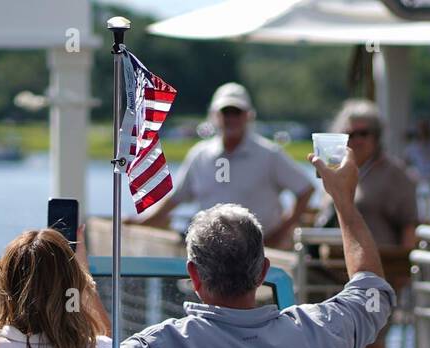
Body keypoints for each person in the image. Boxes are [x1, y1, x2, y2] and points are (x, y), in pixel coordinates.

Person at [115, 151, 393, 348]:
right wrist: (343, 200)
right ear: (262, 273)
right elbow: (371, 289)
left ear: (195, 277)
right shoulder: (320, 333)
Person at [132, 82, 315, 248]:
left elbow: (306, 190)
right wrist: (140, 222)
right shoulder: (199, 155)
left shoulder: (269, 155)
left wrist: (280, 233)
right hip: (210, 255)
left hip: (258, 254)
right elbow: (175, 199)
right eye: (226, 112)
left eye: (236, 112)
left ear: (249, 116)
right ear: (214, 115)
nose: (231, 118)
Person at [313, 99, 418, 249]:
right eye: (350, 134)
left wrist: (401, 266)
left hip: (379, 263)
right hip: (334, 262)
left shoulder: (395, 173)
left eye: (363, 133)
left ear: (376, 137)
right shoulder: (337, 170)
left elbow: (408, 225)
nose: (357, 140)